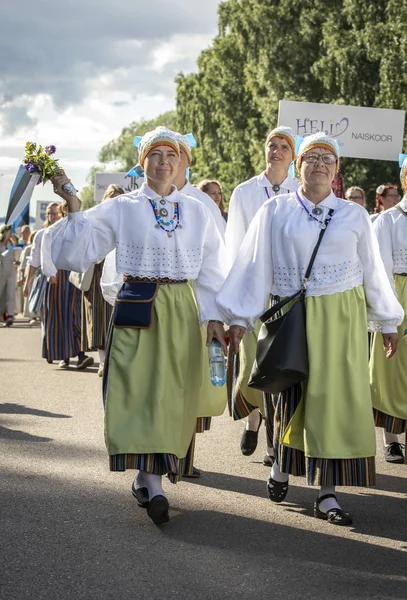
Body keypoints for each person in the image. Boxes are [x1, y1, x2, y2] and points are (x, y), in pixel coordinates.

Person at [217, 131, 404, 525]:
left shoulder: (353, 215)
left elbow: (372, 270)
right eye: (312, 158)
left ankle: (326, 493)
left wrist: (387, 320)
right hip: (292, 315)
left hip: (341, 318)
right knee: (291, 393)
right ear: (298, 166)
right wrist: (237, 316)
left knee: (332, 401)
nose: (319, 164)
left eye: (327, 159)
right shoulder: (275, 211)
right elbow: (253, 264)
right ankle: (281, 467)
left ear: (337, 171)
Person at [44, 126, 227, 526]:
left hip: (182, 306)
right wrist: (73, 201)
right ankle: (151, 481)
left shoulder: (198, 210)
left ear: (182, 163)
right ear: (142, 162)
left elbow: (213, 267)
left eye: (171, 155)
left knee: (172, 391)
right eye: (155, 155)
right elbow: (83, 244)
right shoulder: (123, 207)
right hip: (138, 306)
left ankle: (149, 478)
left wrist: (215, 316)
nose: (163, 162)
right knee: (137, 386)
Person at [226, 126, 299, 466]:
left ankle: (272, 444)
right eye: (272, 144)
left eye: (285, 146)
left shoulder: (302, 191)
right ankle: (255, 416)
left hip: (287, 296)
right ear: (265, 150)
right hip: (252, 296)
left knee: (277, 369)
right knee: (249, 371)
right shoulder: (244, 192)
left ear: (294, 156)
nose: (277, 150)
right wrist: (232, 302)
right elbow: (234, 246)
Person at [370, 156, 407, 464]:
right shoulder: (388, 219)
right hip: (399, 295)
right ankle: (391, 439)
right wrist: (387, 315)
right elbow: (381, 270)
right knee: (392, 369)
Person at [41, 203, 94, 370]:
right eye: (53, 213)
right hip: (57, 277)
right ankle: (64, 357)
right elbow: (45, 253)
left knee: (75, 314)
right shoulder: (51, 231)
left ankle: (80, 354)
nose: (57, 216)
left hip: (72, 275)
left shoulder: (75, 227)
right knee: (60, 316)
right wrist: (50, 273)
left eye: (59, 213)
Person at [81, 184, 123, 378]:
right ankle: (103, 360)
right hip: (98, 271)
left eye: (119, 198)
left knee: (118, 315)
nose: (115, 202)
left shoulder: (128, 220)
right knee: (99, 316)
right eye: (112, 198)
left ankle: (117, 360)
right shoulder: (95, 221)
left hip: (119, 272)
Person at [172, 133, 226, 238]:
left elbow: (218, 248)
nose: (172, 157)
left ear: (189, 161)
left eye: (179, 152)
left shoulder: (205, 202)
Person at [0, 225, 16, 326]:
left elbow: (13, 256)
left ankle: (10, 315)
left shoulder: (12, 243)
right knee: (0, 292)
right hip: (1, 268)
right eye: (9, 231)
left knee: (10, 292)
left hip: (11, 269)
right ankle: (2, 314)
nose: (11, 233)